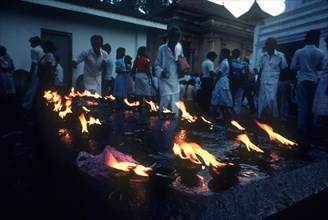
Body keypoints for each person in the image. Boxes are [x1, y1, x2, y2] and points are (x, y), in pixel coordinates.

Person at [290, 29, 325, 133]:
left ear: (306, 39)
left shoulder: (299, 52)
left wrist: (301, 67)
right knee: (311, 105)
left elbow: (292, 67)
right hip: (314, 80)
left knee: (302, 104)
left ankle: (301, 126)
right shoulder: (320, 52)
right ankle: (310, 126)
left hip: (302, 79)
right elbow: (321, 68)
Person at [154, 26, 185, 118]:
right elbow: (156, 66)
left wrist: (182, 67)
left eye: (177, 37)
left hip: (175, 80)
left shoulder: (179, 47)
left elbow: (182, 60)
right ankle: (161, 120)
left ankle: (173, 124)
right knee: (166, 99)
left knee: (175, 104)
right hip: (164, 80)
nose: (175, 39)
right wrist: (161, 72)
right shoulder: (162, 49)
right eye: (173, 37)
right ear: (169, 37)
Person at [256, 37, 288, 121]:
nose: (267, 46)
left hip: (274, 80)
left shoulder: (280, 55)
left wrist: (281, 82)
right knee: (262, 99)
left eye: (269, 44)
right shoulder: (263, 56)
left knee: (271, 99)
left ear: (274, 46)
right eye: (266, 44)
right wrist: (257, 82)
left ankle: (273, 116)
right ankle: (262, 117)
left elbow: (283, 69)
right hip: (263, 79)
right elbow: (261, 69)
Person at [211, 48, 235, 119]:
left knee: (220, 99)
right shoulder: (225, 62)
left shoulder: (224, 62)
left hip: (221, 82)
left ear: (224, 54)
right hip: (224, 82)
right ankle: (222, 115)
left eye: (221, 53)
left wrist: (214, 83)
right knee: (223, 100)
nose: (219, 55)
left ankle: (215, 115)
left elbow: (219, 74)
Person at [22, 36, 44, 111]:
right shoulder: (42, 50)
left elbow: (34, 63)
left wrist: (30, 73)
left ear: (35, 42)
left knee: (31, 88)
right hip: (42, 70)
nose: (30, 44)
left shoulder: (34, 49)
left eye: (31, 43)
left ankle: (26, 105)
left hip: (36, 70)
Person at [312, 36, 328, 130]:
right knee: (323, 108)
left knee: (325, 108)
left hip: (326, 85)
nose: (326, 45)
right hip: (324, 84)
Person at [230, 49, 246, 115]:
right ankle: (236, 113)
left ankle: (229, 112)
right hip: (238, 83)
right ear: (239, 55)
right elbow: (243, 74)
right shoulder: (242, 64)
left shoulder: (229, 62)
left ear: (232, 54)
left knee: (230, 97)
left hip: (230, 82)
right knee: (237, 99)